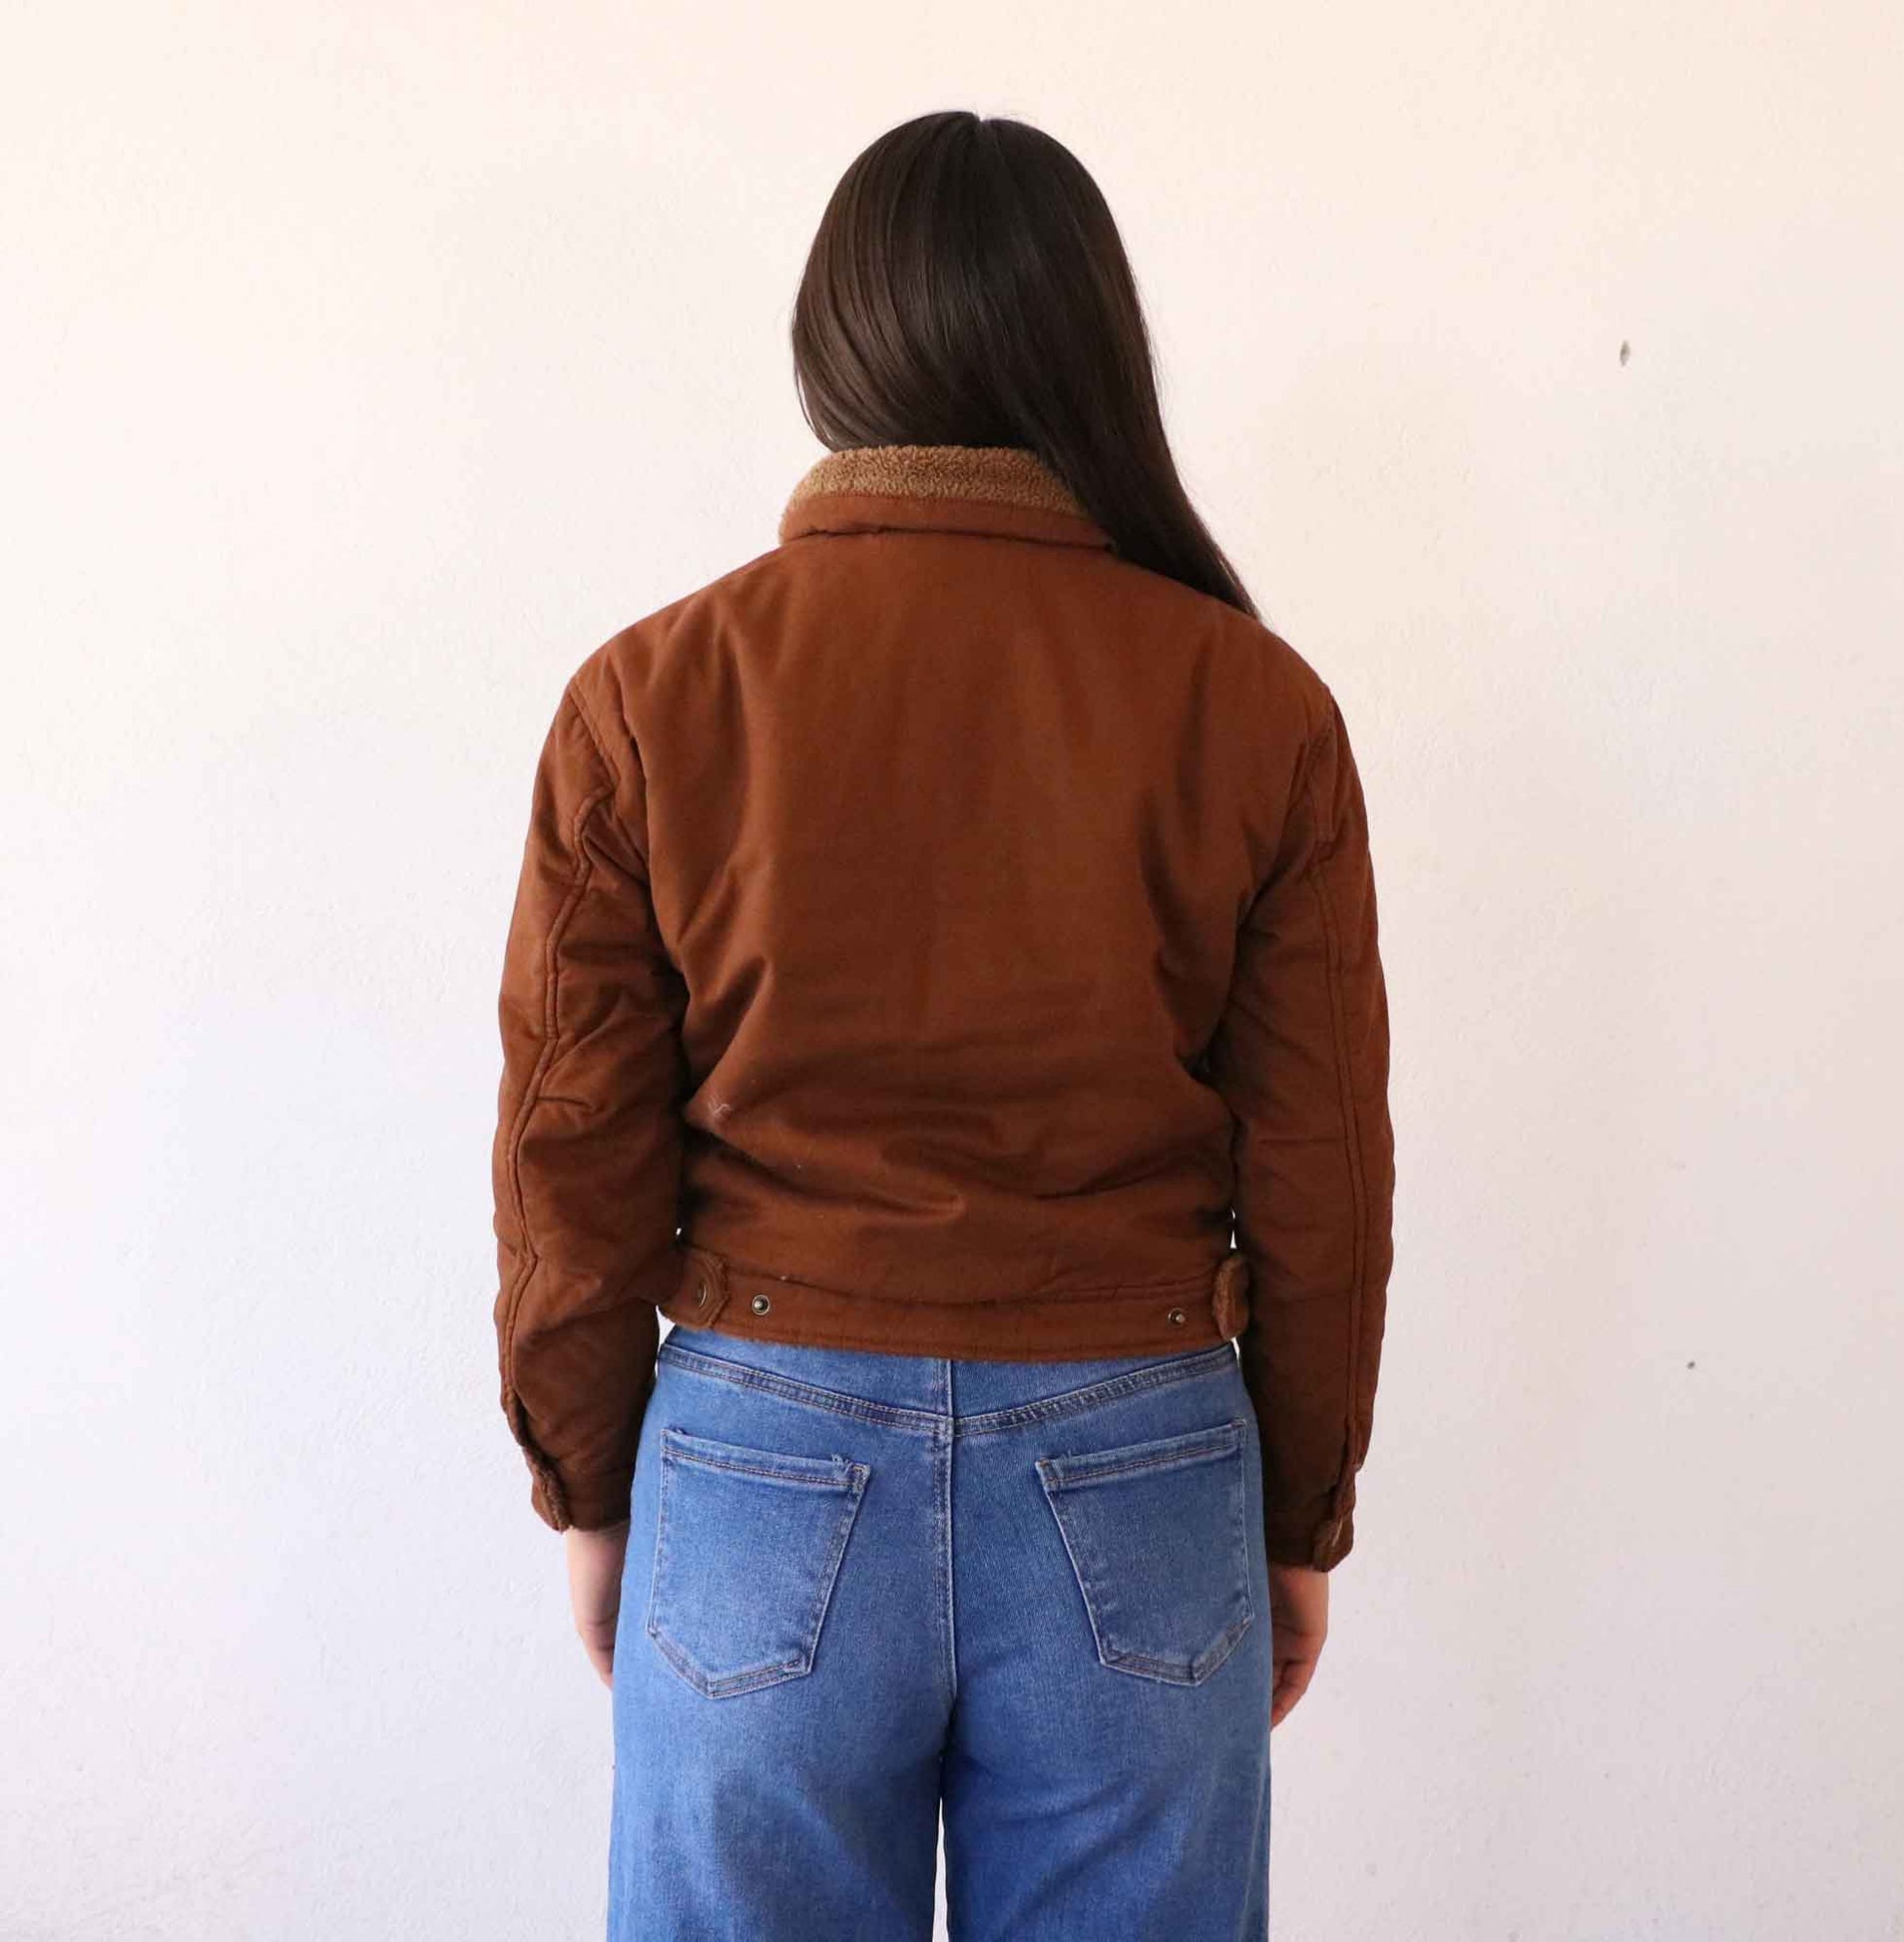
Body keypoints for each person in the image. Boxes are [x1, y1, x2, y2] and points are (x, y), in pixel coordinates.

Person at [490, 108, 1395, 1942]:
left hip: (755, 1465)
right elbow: (1323, 1178)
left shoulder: (650, 694)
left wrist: (593, 1485)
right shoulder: (1254, 703)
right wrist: (1296, 1516)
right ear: (1092, 348)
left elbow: (569, 1149)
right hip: (1141, 1471)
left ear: (831, 349)